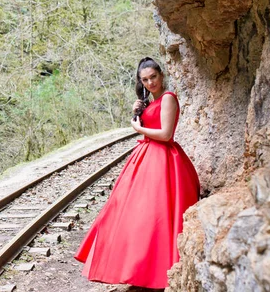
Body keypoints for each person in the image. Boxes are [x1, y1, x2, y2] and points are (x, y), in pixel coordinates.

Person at [74, 57, 200, 290]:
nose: (150, 82)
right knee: (136, 214)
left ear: (161, 75)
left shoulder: (168, 98)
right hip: (147, 157)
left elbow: (165, 135)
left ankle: (158, 272)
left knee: (158, 215)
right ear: (140, 82)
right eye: (145, 80)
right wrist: (138, 113)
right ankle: (137, 269)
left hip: (163, 159)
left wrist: (138, 127)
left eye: (153, 77)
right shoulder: (149, 102)